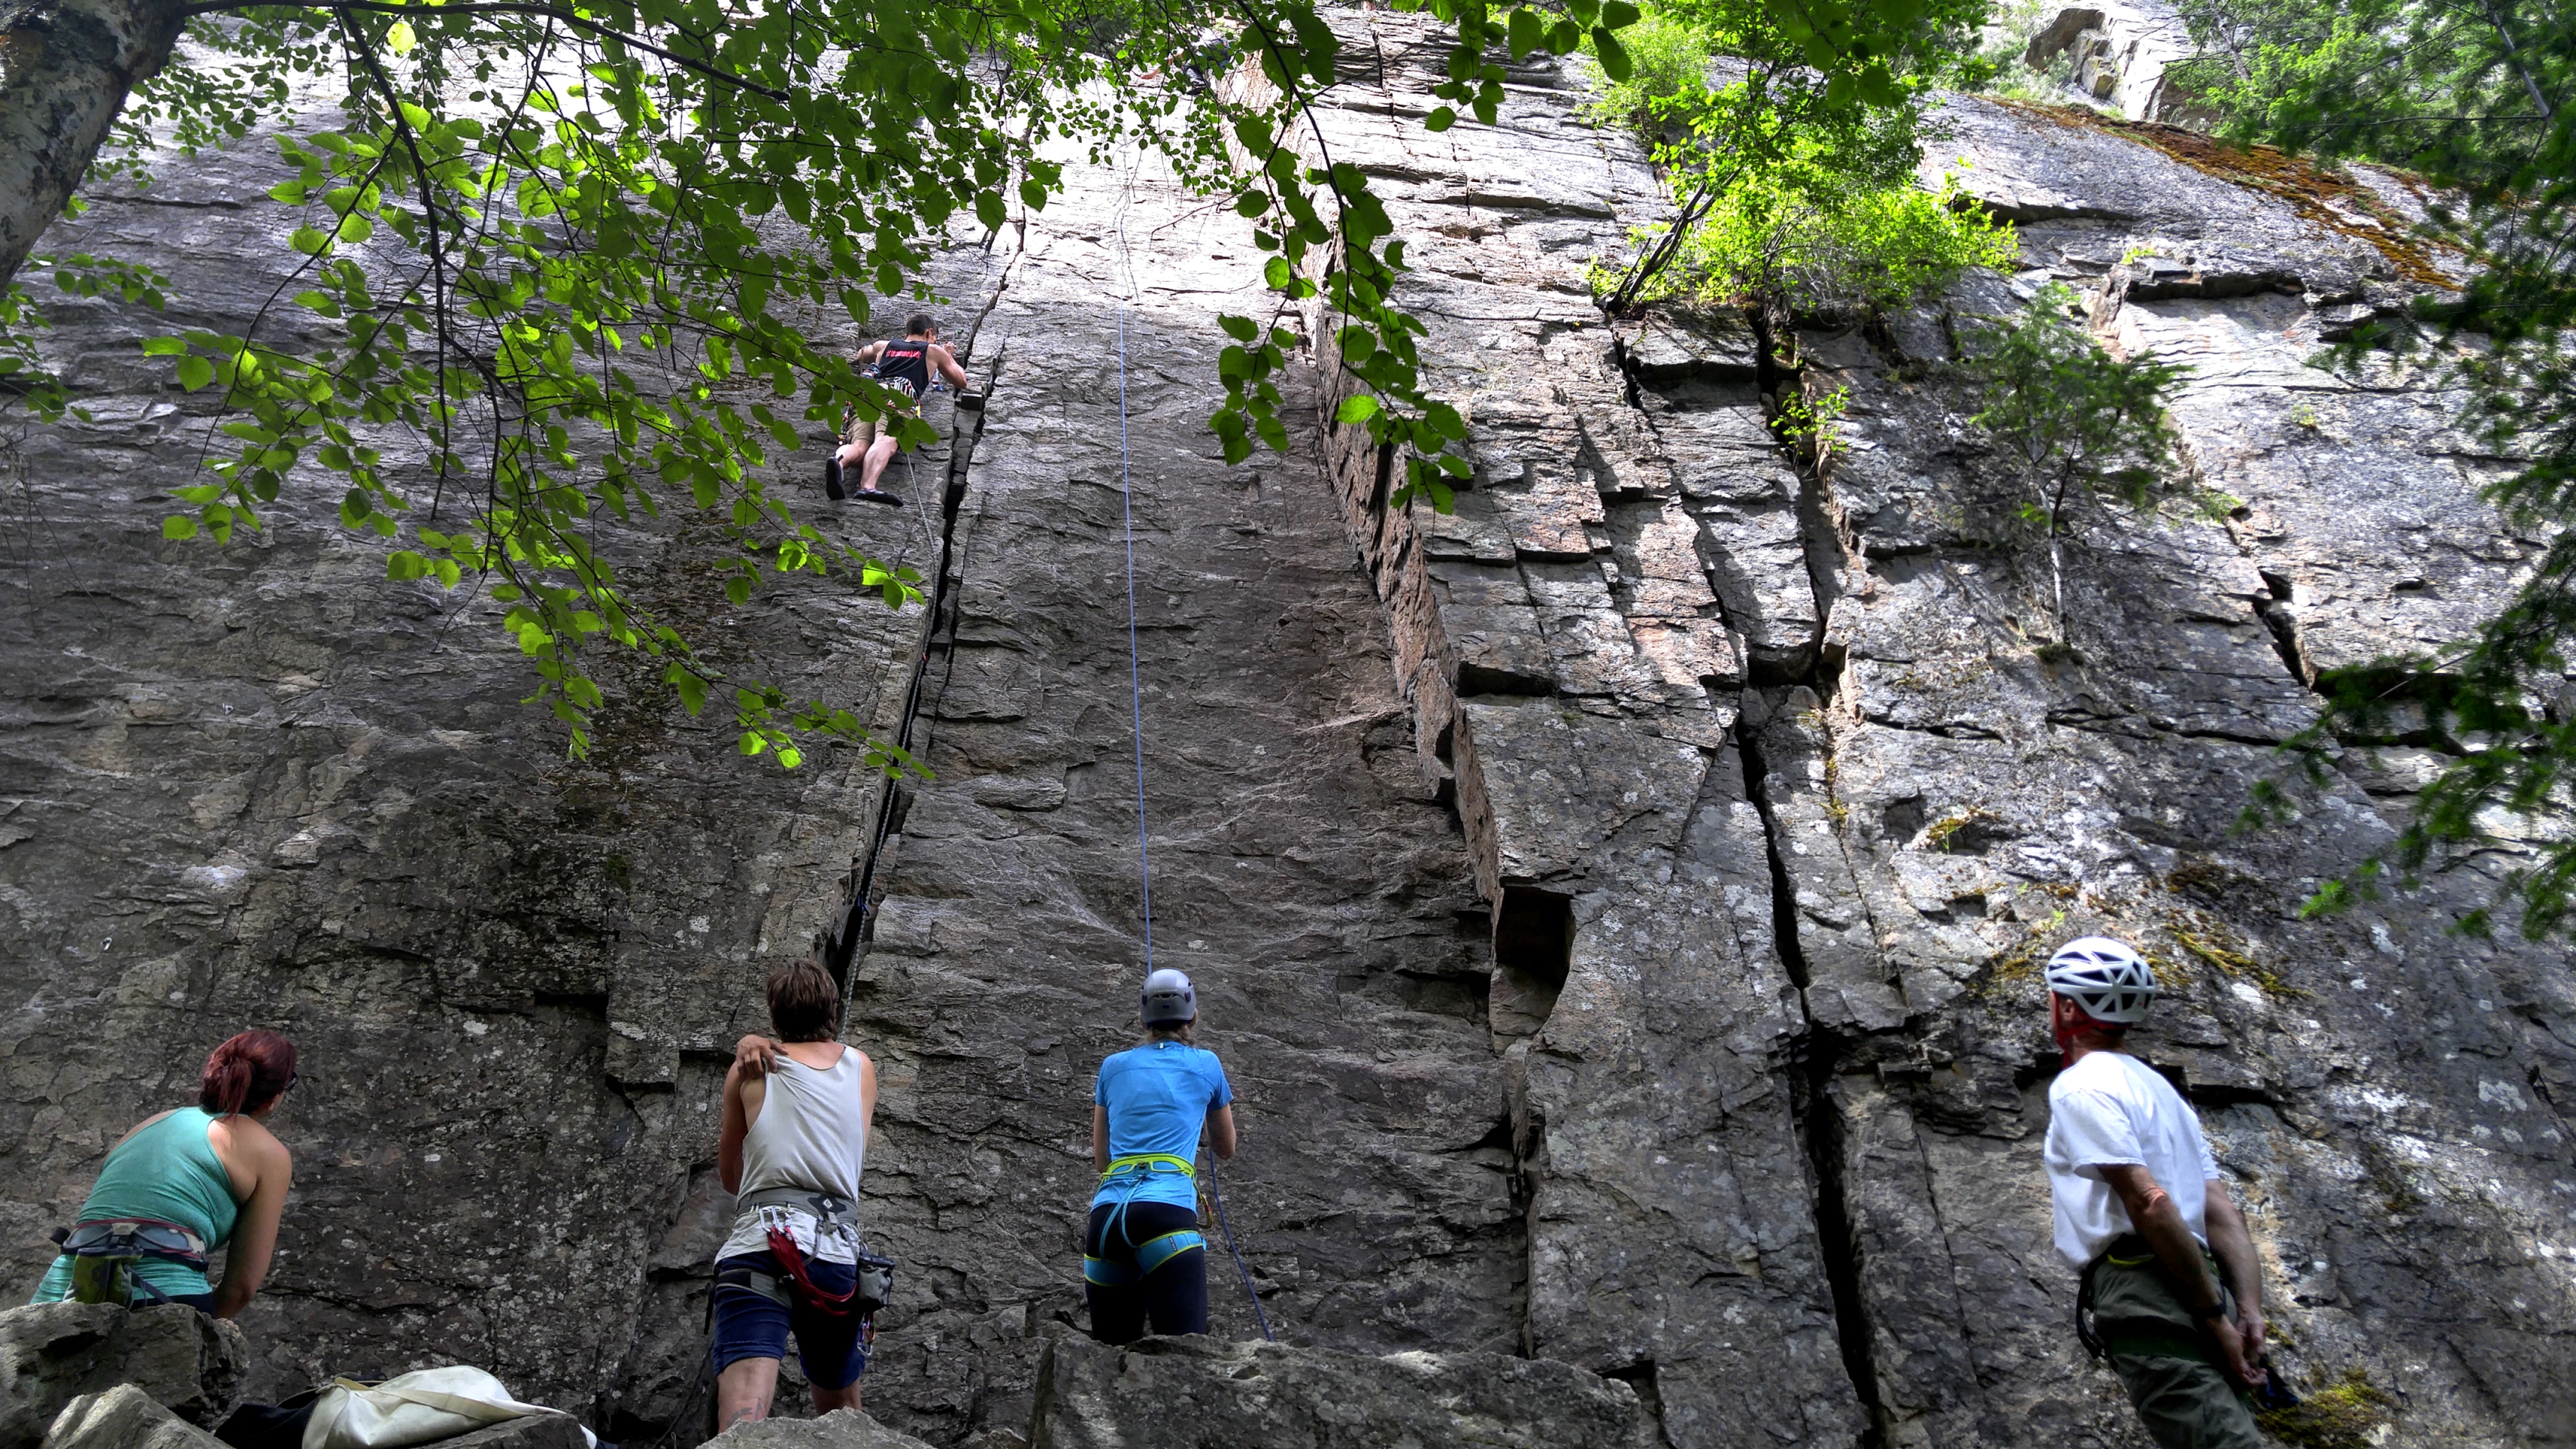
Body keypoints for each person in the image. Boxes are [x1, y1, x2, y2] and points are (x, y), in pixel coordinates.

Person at [2042, 937, 2270, 1449]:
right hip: (2205, 1281)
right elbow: (2220, 1211)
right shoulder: (2162, 1091)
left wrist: (2215, 1321)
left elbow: (2148, 1202)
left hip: (2150, 1288)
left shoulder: (2080, 1087)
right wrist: (2247, 1312)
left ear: (2070, 1006)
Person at [712, 957, 880, 1428]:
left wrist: (749, 1045)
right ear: (832, 1006)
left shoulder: (748, 1071)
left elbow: (732, 1177)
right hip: (834, 1251)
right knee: (844, 1413)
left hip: (761, 1244)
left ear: (774, 1014)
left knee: (745, 1409)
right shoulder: (859, 1067)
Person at [30, 1030, 297, 1318]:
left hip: (61, 1291)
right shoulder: (269, 1153)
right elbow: (241, 1287)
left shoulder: (150, 1125)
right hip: (165, 1295)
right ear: (274, 1096)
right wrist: (203, 1331)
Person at [1083, 968, 1237, 1343]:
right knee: (1186, 1357)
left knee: (1108, 1361)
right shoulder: (1207, 1064)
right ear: (1194, 1017)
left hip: (1106, 1221)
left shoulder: (1112, 1066)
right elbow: (1225, 1148)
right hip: (1166, 1214)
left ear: (1142, 1019)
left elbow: (1102, 1160)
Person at [827, 315, 973, 506]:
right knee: (886, 440)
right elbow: (961, 380)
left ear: (908, 332)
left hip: (866, 395)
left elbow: (862, 354)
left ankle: (838, 461)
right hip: (899, 395)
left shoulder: (883, 346)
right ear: (930, 332)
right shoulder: (933, 351)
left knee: (860, 446)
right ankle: (867, 487)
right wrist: (948, 355)